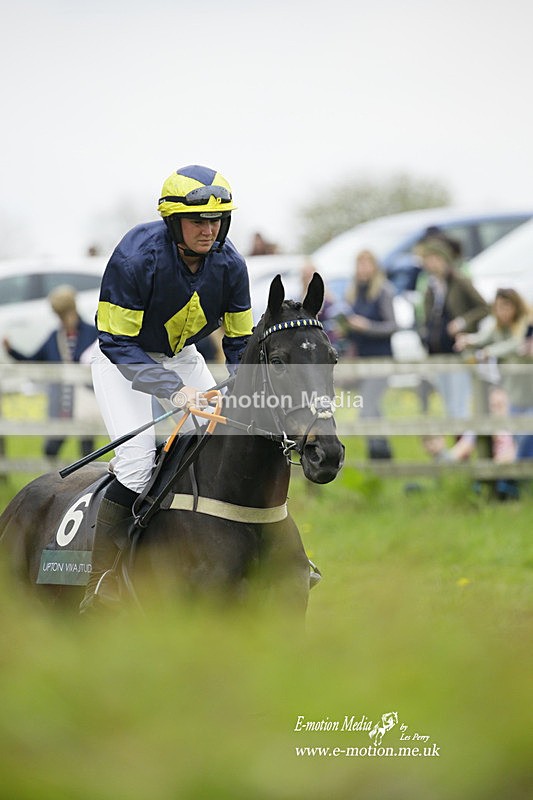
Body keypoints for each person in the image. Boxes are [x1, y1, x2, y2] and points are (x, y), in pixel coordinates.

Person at [81, 164, 254, 612]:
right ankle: (102, 580)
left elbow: (239, 342)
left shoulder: (232, 264)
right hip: (123, 358)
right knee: (137, 465)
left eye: (216, 220)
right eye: (198, 221)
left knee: (227, 440)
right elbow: (116, 341)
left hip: (182, 355)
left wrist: (247, 390)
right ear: (174, 222)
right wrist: (176, 392)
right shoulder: (134, 257)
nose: (208, 230)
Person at [3, 285, 97, 458]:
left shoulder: (92, 334)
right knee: (51, 449)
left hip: (85, 402)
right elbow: (33, 361)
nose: (62, 319)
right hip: (61, 404)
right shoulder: (55, 336)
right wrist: (11, 350)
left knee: (87, 453)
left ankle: (87, 483)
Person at [454, 287, 532, 461]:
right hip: (513, 396)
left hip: (530, 394)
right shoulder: (497, 328)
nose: (502, 311)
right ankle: (515, 479)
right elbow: (482, 338)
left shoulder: (527, 326)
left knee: (527, 436)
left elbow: (516, 345)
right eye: (498, 307)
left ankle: (514, 478)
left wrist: (489, 351)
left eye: (506, 306)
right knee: (518, 437)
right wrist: (468, 340)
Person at [418, 238, 490, 422]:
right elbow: (429, 318)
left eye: (433, 258)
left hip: (458, 350)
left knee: (460, 404)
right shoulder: (431, 286)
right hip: (438, 351)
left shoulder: (459, 281)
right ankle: (459, 444)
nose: (430, 264)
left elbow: (484, 307)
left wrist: (462, 322)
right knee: (448, 404)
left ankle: (464, 443)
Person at [341, 249, 398, 459]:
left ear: (375, 267)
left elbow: (392, 326)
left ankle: (378, 454)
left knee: (367, 408)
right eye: (359, 264)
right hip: (361, 360)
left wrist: (366, 326)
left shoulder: (383, 291)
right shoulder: (353, 292)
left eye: (367, 264)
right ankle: (382, 455)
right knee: (373, 408)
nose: (363, 268)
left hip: (381, 359)